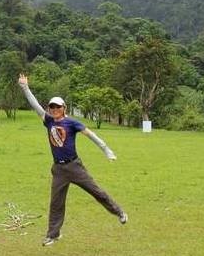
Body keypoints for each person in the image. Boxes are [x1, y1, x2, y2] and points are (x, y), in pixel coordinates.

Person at [18, 73, 127, 246]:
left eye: (57, 107)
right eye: (52, 107)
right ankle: (53, 235)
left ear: (64, 108)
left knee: (96, 192)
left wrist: (106, 150)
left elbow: (91, 135)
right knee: (56, 203)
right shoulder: (48, 121)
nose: (54, 110)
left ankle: (119, 211)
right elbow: (36, 106)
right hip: (59, 170)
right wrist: (25, 88)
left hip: (74, 167)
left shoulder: (72, 123)